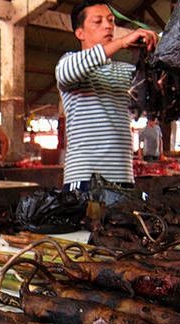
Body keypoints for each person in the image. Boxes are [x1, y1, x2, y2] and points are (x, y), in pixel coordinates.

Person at [56, 1, 158, 190]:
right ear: (80, 33)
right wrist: (121, 42)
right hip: (85, 178)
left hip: (123, 176)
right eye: (98, 21)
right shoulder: (68, 62)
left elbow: (156, 91)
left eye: (110, 21)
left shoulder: (126, 71)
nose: (108, 25)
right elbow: (67, 73)